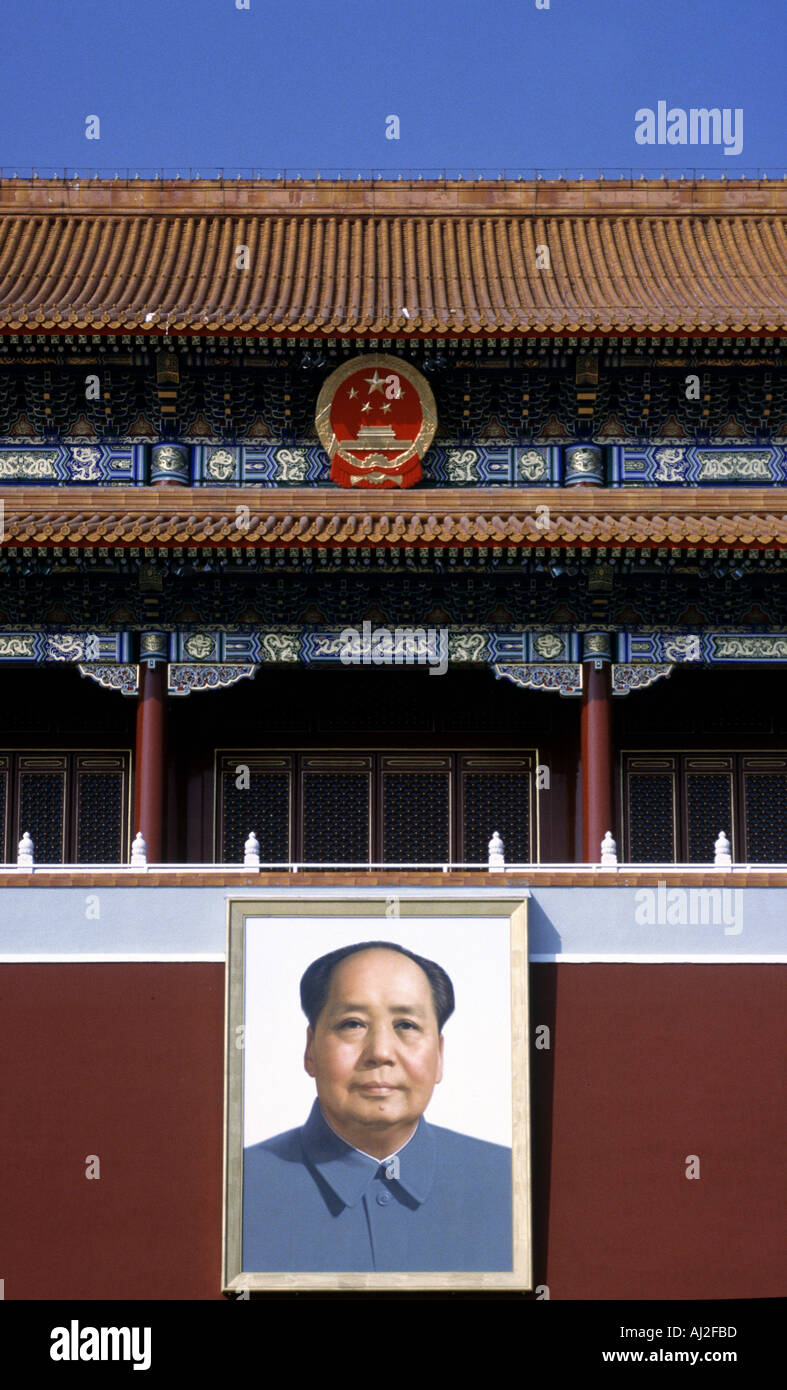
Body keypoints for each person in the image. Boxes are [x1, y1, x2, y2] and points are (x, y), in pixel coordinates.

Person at [242, 940, 512, 1273]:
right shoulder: (237, 1187)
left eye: (406, 1026)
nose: (380, 1052)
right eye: (353, 1024)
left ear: (439, 1055)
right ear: (310, 1050)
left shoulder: (511, 1183)